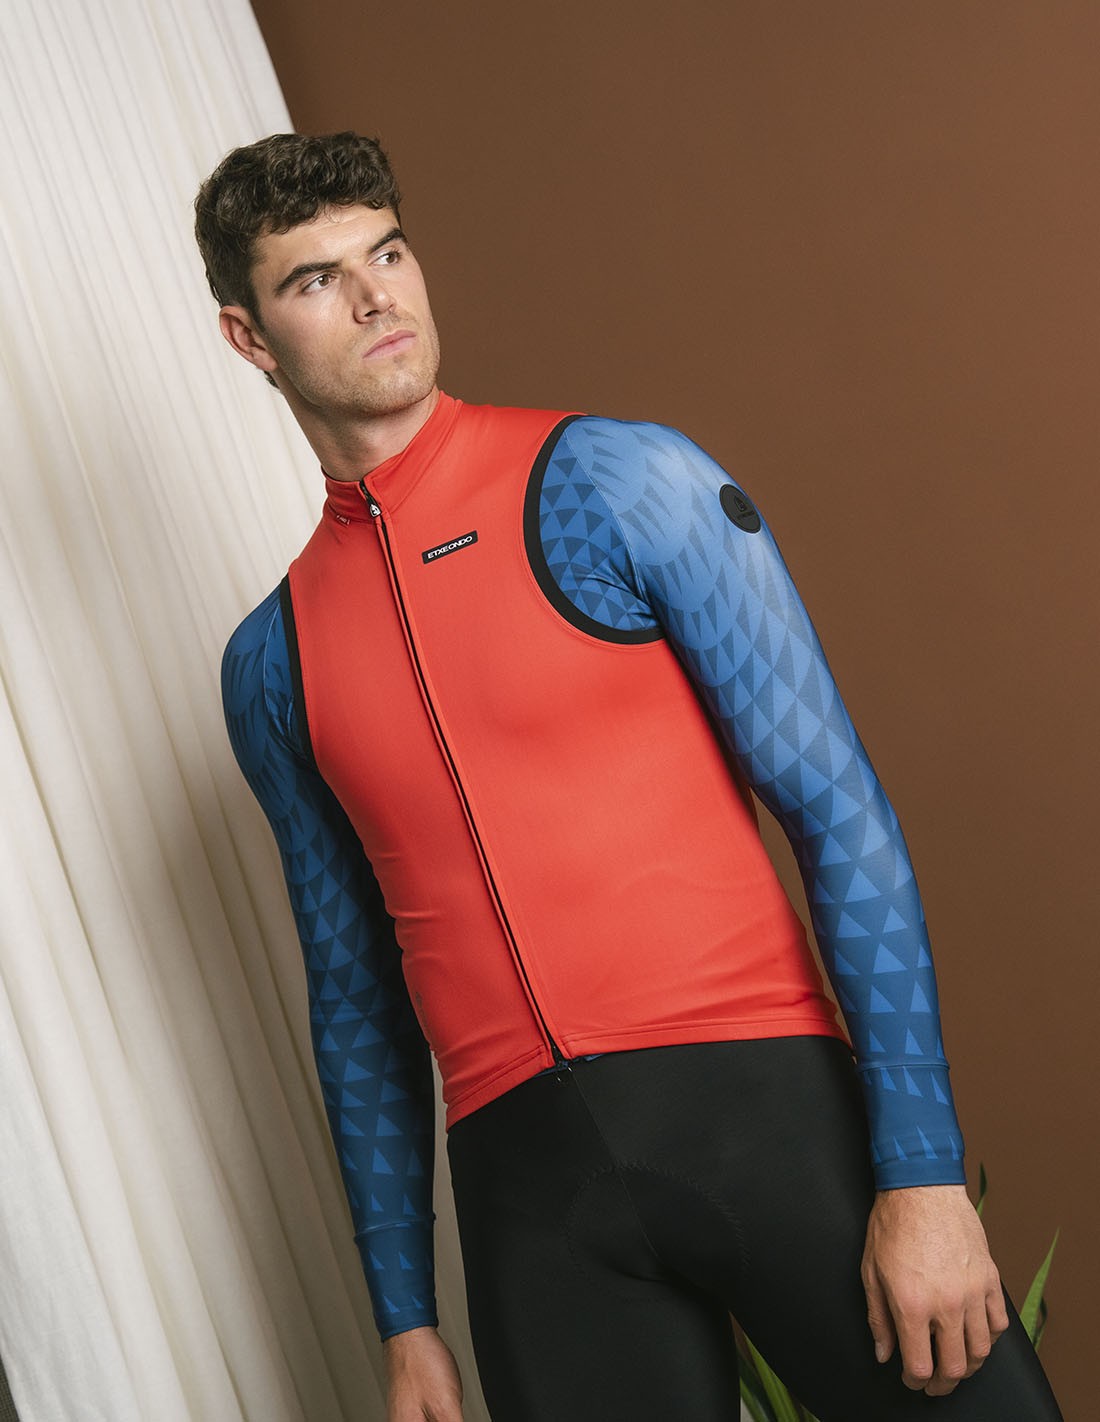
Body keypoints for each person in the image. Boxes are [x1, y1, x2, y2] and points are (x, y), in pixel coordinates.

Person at [194, 132, 1062, 1422]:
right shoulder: (273, 663)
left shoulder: (617, 484)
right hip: (535, 1208)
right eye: (318, 280)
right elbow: (354, 998)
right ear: (249, 337)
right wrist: (406, 1323)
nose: (378, 296)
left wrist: (926, 1175)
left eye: (389, 252)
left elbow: (838, 815)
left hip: (767, 1117)